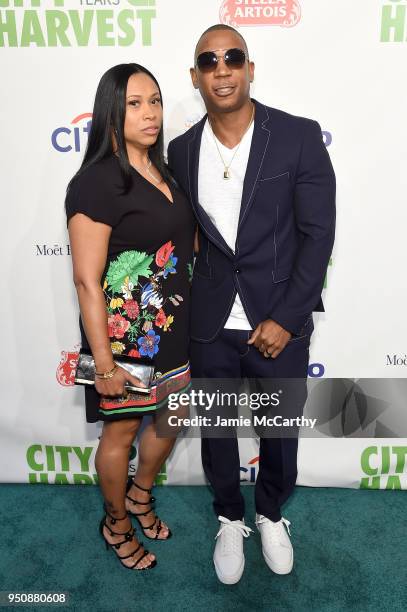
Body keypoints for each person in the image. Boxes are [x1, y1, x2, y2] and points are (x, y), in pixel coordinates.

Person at [167, 24, 336, 584]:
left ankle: (270, 514)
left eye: (232, 57)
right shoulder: (182, 149)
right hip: (210, 322)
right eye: (209, 61)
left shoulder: (297, 136)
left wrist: (287, 319)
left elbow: (318, 236)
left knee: (279, 431)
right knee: (217, 432)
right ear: (196, 76)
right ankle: (228, 517)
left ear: (250, 68)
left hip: (279, 324)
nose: (222, 68)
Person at [65, 63, 195, 571]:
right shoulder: (96, 183)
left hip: (171, 330)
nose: (150, 114)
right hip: (122, 342)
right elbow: (86, 280)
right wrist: (103, 365)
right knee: (120, 435)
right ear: (111, 113)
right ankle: (116, 520)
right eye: (135, 104)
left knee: (173, 417)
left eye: (156, 101)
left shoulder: (162, 169)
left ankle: (141, 495)